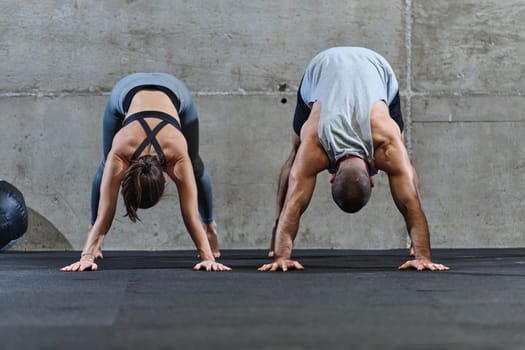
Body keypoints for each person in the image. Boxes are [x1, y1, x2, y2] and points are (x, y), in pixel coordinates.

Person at [259, 47, 449, 272]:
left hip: (364, 67)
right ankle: (417, 246)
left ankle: (277, 229)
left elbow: (295, 202)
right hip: (327, 68)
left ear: (331, 177)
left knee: (295, 159)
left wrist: (282, 257)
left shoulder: (318, 144)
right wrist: (423, 257)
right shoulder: (384, 144)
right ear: (371, 179)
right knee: (403, 165)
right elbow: (410, 203)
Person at [61, 73, 229, 272]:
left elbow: (191, 213)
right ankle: (93, 233)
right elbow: (190, 213)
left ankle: (210, 227)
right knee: (107, 163)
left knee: (194, 165)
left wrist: (86, 258)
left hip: (175, 94)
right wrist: (206, 258)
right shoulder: (124, 150)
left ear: (165, 178)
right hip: (129, 91)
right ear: (166, 179)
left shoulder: (173, 153)